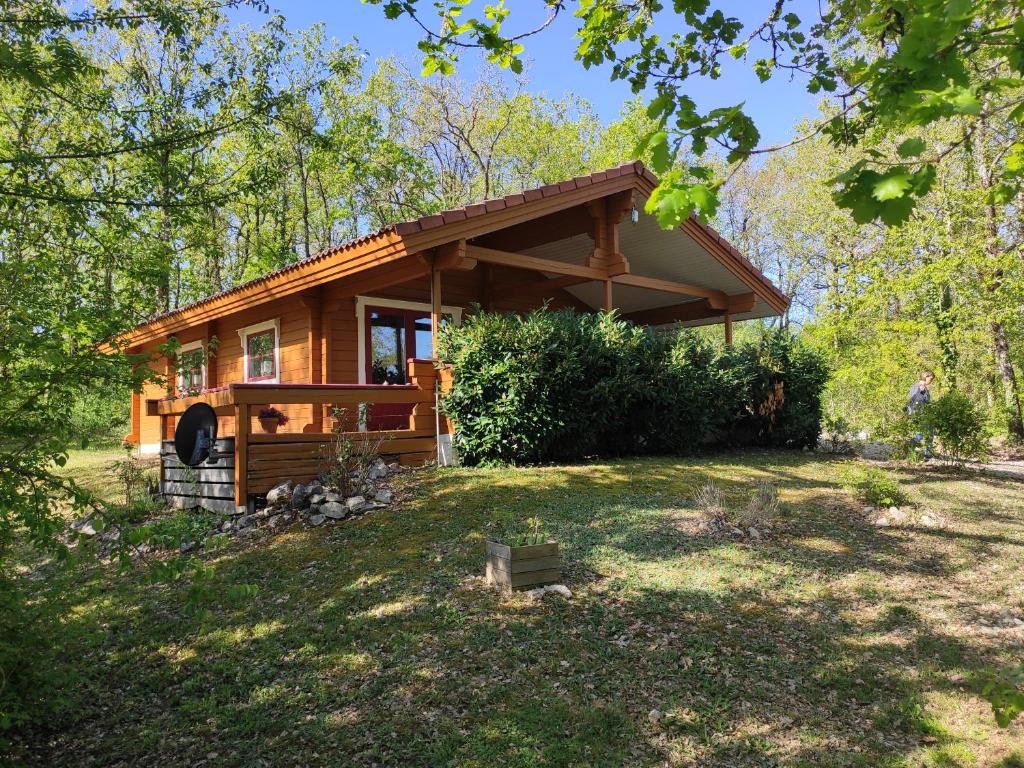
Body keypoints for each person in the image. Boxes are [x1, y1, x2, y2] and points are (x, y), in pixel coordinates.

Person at [905, 369, 935, 459]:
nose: (931, 381)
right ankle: (911, 448)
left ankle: (925, 453)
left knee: (926, 433)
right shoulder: (921, 387)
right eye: (931, 379)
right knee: (923, 434)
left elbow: (910, 400)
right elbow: (918, 402)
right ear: (926, 377)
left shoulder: (915, 386)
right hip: (921, 415)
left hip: (918, 414)